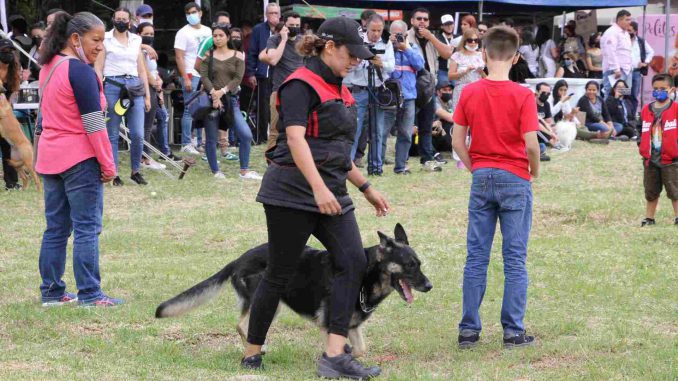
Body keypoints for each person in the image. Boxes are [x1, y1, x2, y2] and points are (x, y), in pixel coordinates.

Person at [246, 17, 389, 379]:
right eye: (350, 54)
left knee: (353, 262)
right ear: (329, 47)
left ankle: (334, 355)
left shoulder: (339, 87)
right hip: (291, 193)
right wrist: (319, 189)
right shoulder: (299, 85)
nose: (356, 61)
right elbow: (295, 140)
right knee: (279, 271)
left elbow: (336, 152)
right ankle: (252, 352)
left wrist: (366, 188)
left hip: (331, 191)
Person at [452, 26, 540, 349]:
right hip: (515, 176)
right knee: (514, 257)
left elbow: (457, 141)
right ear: (516, 56)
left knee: (477, 256)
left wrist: (476, 166)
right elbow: (532, 143)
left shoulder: (470, 93)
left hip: (482, 175)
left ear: (484, 53)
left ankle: (468, 330)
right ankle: (513, 331)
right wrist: (535, 170)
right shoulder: (523, 95)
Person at [34, 11, 122, 307]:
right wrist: (108, 164)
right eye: (96, 40)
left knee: (55, 228)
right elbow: (94, 123)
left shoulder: (48, 67)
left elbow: (43, 117)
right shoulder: (80, 71)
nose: (100, 46)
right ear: (75, 39)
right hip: (79, 160)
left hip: (49, 158)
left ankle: (52, 293)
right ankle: (90, 294)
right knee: (86, 228)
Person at [94, 7, 152, 186]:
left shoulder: (136, 40)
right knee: (112, 133)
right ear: (113, 20)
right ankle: (114, 173)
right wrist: (101, 92)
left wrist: (148, 95)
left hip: (135, 87)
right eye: (117, 18)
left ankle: (136, 170)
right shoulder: (106, 40)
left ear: (130, 21)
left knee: (138, 133)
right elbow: (98, 67)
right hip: (113, 85)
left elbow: (142, 69)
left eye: (124, 18)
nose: (120, 21)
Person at [199, 24, 261, 180]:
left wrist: (222, 92)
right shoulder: (208, 55)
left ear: (227, 37)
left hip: (230, 100)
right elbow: (204, 76)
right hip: (211, 101)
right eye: (215, 36)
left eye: (221, 35)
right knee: (212, 138)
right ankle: (216, 171)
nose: (217, 38)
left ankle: (244, 170)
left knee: (245, 135)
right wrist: (214, 94)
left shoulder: (238, 55)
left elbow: (238, 78)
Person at [343, 14, 394, 175]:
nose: (376, 34)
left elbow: (391, 66)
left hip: (378, 90)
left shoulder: (386, 43)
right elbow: (348, 66)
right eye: (373, 30)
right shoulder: (358, 41)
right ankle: (348, 167)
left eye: (379, 30)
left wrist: (380, 63)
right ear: (367, 27)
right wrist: (360, 60)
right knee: (354, 128)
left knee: (377, 130)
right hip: (359, 88)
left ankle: (376, 167)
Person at [408, 8, 453, 170]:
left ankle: (427, 157)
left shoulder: (433, 37)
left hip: (429, 87)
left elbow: (447, 54)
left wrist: (431, 37)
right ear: (412, 21)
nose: (422, 22)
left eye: (425, 19)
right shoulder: (406, 37)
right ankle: (402, 159)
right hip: (411, 87)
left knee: (426, 125)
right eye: (418, 18)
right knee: (408, 125)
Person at [137, 23, 181, 164]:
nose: (149, 37)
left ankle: (164, 151)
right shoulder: (138, 50)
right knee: (146, 125)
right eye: (146, 34)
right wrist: (156, 86)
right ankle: (145, 157)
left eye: (151, 34)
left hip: (155, 89)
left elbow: (154, 72)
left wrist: (159, 84)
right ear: (138, 34)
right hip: (145, 89)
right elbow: (144, 71)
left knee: (163, 117)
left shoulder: (149, 51)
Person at [259, 12, 304, 150]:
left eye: (297, 25)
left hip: (299, 90)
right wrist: (284, 40)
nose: (295, 28)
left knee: (299, 130)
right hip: (279, 90)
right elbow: (272, 60)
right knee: (275, 130)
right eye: (292, 25)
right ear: (285, 24)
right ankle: (271, 162)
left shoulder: (303, 40)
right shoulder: (275, 39)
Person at [638, 74, 678, 226]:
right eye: (655, 89)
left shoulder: (675, 108)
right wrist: (641, 145)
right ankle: (649, 218)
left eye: (663, 89)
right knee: (651, 191)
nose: (658, 91)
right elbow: (639, 128)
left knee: (675, 190)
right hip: (651, 159)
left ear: (671, 89)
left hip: (671, 159)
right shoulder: (646, 110)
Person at [386, 20, 425, 175]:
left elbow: (420, 65)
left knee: (406, 133)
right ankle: (376, 166)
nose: (397, 38)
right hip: (388, 97)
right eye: (394, 34)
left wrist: (406, 48)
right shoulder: (387, 48)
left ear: (406, 34)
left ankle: (400, 166)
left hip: (408, 97)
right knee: (381, 132)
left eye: (399, 34)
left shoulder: (413, 49)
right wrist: (390, 46)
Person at [174, 2, 212, 155]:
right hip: (191, 74)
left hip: (205, 75)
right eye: (188, 13)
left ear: (200, 13)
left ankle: (198, 141)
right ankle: (186, 143)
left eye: (194, 12)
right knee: (190, 110)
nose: (191, 15)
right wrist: (186, 78)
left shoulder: (208, 31)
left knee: (202, 109)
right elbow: (179, 56)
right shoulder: (183, 33)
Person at [247, 3, 281, 144]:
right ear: (266, 15)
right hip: (263, 73)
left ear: (280, 15)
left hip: (280, 74)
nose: (273, 16)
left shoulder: (284, 30)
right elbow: (252, 52)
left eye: (275, 13)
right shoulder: (259, 29)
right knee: (263, 107)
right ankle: (261, 137)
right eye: (270, 13)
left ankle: (279, 136)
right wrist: (251, 73)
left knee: (278, 105)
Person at [551, 79, 608, 144]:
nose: (563, 92)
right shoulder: (551, 99)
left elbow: (569, 113)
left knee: (582, 127)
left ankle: (593, 138)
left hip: (566, 122)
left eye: (565, 90)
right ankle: (597, 135)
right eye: (561, 90)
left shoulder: (565, 101)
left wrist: (578, 123)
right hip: (554, 125)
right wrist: (561, 102)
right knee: (574, 128)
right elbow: (551, 114)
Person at [0, 38, 20, 190]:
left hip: (5, 113)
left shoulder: (13, 69)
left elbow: (13, 92)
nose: (8, 55)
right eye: (4, 52)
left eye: (10, 51)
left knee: (8, 147)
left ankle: (11, 182)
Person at [448, 28, 485, 111]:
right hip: (461, 90)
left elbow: (487, 77)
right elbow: (450, 76)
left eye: (476, 40)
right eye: (470, 40)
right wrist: (465, 71)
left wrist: (481, 71)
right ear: (464, 41)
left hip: (478, 90)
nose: (473, 42)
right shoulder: (457, 55)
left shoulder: (482, 55)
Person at [601, 10, 632, 97]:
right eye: (627, 20)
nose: (629, 22)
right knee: (611, 93)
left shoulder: (626, 33)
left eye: (630, 19)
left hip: (626, 69)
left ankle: (622, 111)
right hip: (615, 70)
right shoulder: (612, 32)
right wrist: (616, 69)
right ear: (619, 20)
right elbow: (610, 51)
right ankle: (608, 111)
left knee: (623, 95)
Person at [628, 21, 654, 112]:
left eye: (630, 30)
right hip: (625, 72)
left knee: (634, 94)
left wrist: (645, 62)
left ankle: (633, 115)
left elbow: (650, 52)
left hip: (636, 72)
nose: (628, 32)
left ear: (635, 31)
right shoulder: (622, 40)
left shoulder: (640, 41)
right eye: (627, 30)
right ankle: (625, 116)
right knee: (624, 93)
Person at [436, 14, 456, 85]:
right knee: (443, 92)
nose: (449, 26)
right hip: (442, 70)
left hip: (455, 71)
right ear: (442, 26)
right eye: (446, 24)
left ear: (454, 24)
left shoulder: (458, 37)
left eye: (451, 24)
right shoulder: (437, 38)